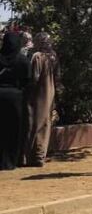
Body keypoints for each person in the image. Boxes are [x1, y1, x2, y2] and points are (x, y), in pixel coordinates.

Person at [23, 33, 60, 167]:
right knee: (45, 124)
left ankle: (30, 156)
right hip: (50, 94)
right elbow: (57, 78)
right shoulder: (53, 56)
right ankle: (40, 155)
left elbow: (34, 78)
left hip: (38, 94)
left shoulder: (37, 57)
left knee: (33, 124)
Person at [0, 33, 31, 170]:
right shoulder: (22, 60)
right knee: (14, 130)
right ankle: (11, 161)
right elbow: (28, 80)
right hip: (16, 98)